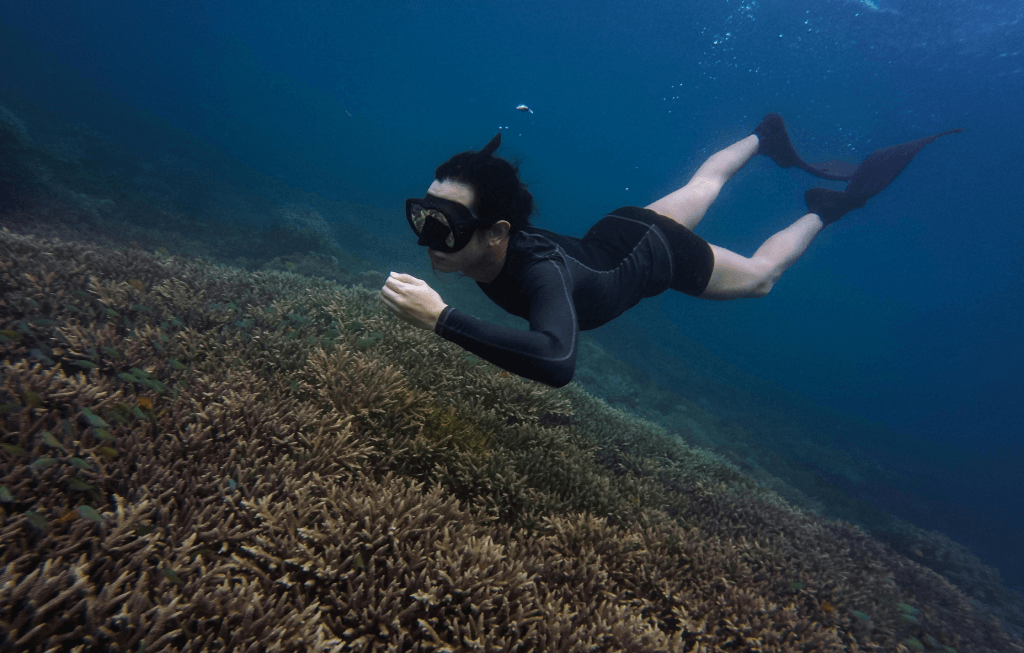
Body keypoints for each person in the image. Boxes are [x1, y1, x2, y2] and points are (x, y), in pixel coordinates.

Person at [380, 114, 961, 387]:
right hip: (621, 231)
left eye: (446, 224)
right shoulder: (496, 242)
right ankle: (765, 135)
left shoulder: (540, 274)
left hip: (656, 254)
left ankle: (826, 209)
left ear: (498, 232)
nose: (428, 235)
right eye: (423, 216)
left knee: (761, 276)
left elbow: (556, 361)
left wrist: (443, 320)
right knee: (700, 189)